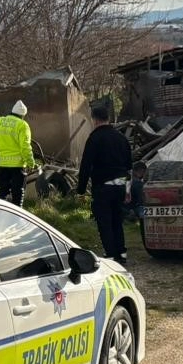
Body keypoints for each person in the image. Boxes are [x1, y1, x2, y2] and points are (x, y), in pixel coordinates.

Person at [76, 106, 134, 265]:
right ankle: (121, 254)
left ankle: (110, 255)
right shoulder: (121, 138)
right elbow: (129, 167)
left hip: (103, 187)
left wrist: (81, 190)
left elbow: (86, 166)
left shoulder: (94, 138)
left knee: (105, 222)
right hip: (121, 186)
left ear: (94, 119)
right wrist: (128, 190)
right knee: (117, 220)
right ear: (108, 118)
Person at [0, 100, 37, 207]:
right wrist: (31, 163)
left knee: (2, 192)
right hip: (18, 167)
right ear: (23, 115)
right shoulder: (22, 125)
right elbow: (25, 147)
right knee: (17, 193)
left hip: (2, 165)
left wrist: (0, 145)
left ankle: (0, 213)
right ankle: (17, 214)